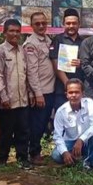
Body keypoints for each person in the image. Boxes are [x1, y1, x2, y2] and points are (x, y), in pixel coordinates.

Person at [0, 19, 33, 169]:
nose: (15, 34)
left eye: (17, 31)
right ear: (4, 33)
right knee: (5, 132)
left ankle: (22, 158)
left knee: (23, 131)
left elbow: (26, 74)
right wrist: (3, 97)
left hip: (22, 100)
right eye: (11, 31)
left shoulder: (23, 51)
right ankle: (2, 159)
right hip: (6, 102)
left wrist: (30, 94)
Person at [51, 79, 93, 170]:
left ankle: (89, 164)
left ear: (82, 93)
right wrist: (65, 152)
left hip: (87, 141)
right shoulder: (61, 111)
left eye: (77, 92)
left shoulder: (89, 103)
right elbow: (57, 136)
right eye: (71, 92)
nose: (74, 95)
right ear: (66, 94)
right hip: (71, 143)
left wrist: (81, 140)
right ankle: (79, 158)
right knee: (56, 155)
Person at [24, 12, 56, 165]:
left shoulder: (48, 40)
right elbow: (31, 71)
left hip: (50, 89)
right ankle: (34, 153)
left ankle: (36, 151)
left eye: (44, 23)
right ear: (32, 26)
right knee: (36, 124)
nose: (41, 26)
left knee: (43, 123)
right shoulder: (31, 44)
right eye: (37, 24)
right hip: (41, 91)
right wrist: (37, 93)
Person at [50, 8, 85, 111]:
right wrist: (67, 84)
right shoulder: (57, 39)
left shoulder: (85, 42)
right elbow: (55, 63)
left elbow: (88, 62)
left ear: (79, 24)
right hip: (62, 89)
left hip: (80, 90)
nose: (71, 26)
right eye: (68, 23)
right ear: (63, 24)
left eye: (74, 23)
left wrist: (81, 63)